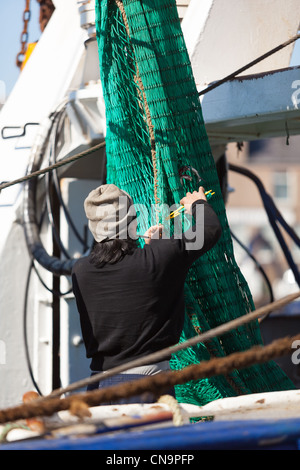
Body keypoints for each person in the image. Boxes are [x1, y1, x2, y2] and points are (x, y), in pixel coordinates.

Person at [71, 183, 222, 403]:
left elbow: (126, 282)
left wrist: (156, 249)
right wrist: (197, 204)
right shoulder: (158, 257)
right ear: (132, 222)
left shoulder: (80, 271)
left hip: (99, 388)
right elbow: (209, 230)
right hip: (149, 386)